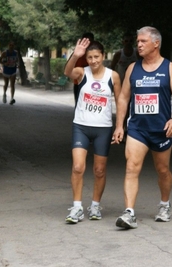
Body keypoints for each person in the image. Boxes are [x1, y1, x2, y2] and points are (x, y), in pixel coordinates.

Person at [113, 26, 172, 229]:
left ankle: (164, 204)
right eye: (138, 41)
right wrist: (120, 126)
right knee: (131, 167)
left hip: (162, 129)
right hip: (137, 129)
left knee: (162, 170)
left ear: (156, 43)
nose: (139, 44)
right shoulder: (132, 69)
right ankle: (129, 213)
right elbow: (123, 98)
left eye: (143, 41)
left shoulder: (170, 68)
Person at [63, 38, 121, 224]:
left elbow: (121, 102)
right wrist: (75, 55)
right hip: (81, 125)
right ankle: (77, 207)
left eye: (96, 57)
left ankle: (95, 205)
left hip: (103, 128)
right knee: (78, 167)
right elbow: (67, 72)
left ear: (103, 56)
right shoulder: (82, 72)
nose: (93, 61)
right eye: (89, 57)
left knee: (99, 170)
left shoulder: (113, 76)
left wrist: (120, 126)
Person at [111, 33, 140, 140]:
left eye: (130, 41)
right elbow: (112, 67)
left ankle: (130, 129)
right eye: (126, 41)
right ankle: (120, 128)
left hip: (134, 85)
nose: (128, 43)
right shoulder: (119, 54)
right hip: (121, 85)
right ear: (123, 42)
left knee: (133, 107)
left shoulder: (136, 53)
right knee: (122, 106)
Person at [66, 32, 94, 105]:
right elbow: (67, 70)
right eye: (85, 41)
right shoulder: (76, 54)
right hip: (78, 84)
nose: (87, 44)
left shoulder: (94, 55)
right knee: (79, 105)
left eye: (89, 41)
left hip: (92, 84)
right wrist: (75, 56)